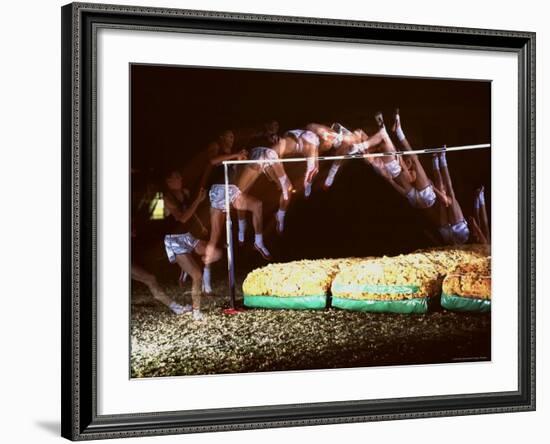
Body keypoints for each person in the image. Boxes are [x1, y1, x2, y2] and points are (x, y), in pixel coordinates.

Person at [204, 129, 272, 261]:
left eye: (232, 137)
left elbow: (234, 169)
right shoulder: (215, 146)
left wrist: (240, 159)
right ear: (222, 137)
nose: (231, 139)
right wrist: (235, 155)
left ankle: (258, 242)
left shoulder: (232, 153)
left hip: (231, 189)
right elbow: (213, 161)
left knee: (257, 205)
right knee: (215, 235)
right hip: (219, 191)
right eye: (229, 136)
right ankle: (205, 272)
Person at [163, 169, 221, 321]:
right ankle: (196, 312)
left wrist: (200, 224)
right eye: (176, 176)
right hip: (174, 240)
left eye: (179, 175)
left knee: (215, 252)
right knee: (197, 275)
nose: (180, 178)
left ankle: (185, 269)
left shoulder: (185, 192)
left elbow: (191, 212)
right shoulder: (167, 197)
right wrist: (198, 201)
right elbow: (182, 218)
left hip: (187, 236)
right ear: (168, 182)